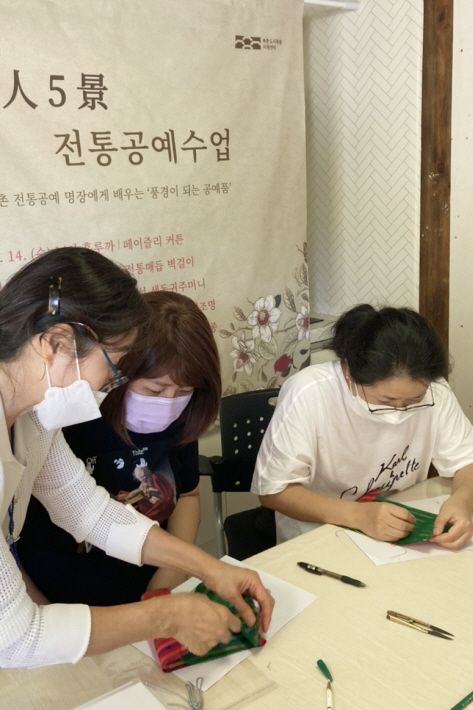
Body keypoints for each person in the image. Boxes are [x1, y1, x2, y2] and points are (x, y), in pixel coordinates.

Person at [0, 247, 273, 669]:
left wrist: (208, 567)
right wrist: (165, 615)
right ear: (55, 343)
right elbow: (16, 638)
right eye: (115, 364)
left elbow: (90, 511)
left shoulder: (34, 419)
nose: (112, 382)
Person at [18, 292, 220, 604]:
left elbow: (91, 511)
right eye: (154, 389)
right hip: (55, 597)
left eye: (183, 392)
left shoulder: (182, 418)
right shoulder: (62, 415)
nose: (168, 404)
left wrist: (180, 577)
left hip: (140, 587)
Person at [251, 304, 473, 549]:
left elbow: (466, 462)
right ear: (348, 371)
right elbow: (273, 491)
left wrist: (462, 501)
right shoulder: (309, 393)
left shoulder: (435, 390)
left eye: (413, 401)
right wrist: (359, 516)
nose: (399, 412)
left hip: (399, 535)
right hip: (318, 538)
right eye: (386, 401)